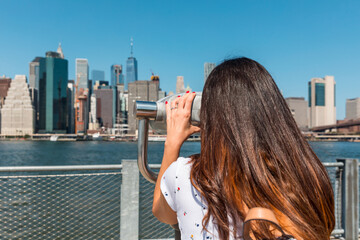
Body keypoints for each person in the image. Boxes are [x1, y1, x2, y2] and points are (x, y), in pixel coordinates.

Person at [152, 57, 335, 240]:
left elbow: (162, 212)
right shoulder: (308, 173)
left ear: (210, 115)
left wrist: (172, 142)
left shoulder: (186, 174)